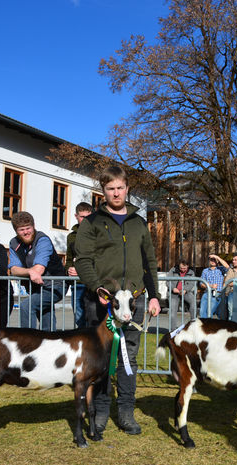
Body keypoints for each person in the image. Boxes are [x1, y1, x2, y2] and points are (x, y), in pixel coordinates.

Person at [74, 165, 161, 435]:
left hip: (132, 303)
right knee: (100, 359)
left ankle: (126, 412)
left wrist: (155, 295)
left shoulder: (139, 223)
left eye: (120, 187)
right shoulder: (92, 223)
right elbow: (83, 260)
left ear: (127, 188)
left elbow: (149, 261)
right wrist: (98, 288)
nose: (116, 193)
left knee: (128, 358)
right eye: (110, 188)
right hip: (101, 301)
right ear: (103, 191)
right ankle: (100, 412)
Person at [8, 211, 66, 331]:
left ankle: (29, 343)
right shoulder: (14, 243)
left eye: (28, 228)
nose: (26, 232)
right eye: (21, 229)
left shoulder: (42, 240)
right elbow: (13, 269)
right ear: (16, 231)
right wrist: (29, 272)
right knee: (46, 316)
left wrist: (29, 271)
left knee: (26, 306)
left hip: (56, 285)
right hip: (37, 287)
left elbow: (38, 269)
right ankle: (49, 343)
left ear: (33, 226)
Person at [65, 202, 93, 328]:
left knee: (93, 318)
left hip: (93, 284)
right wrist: (69, 270)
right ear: (76, 216)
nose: (85, 220)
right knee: (79, 318)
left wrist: (81, 270)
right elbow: (69, 259)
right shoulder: (71, 237)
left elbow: (101, 260)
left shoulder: (99, 234)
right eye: (82, 217)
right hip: (77, 285)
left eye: (88, 217)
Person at [168, 259, 196, 326]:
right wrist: (173, 288)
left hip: (186, 292)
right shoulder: (173, 270)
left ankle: (193, 324)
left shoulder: (191, 272)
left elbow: (192, 283)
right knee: (173, 310)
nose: (183, 269)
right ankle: (173, 329)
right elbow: (168, 281)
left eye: (184, 268)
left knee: (193, 302)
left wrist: (185, 290)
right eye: (181, 268)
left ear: (188, 266)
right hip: (174, 292)